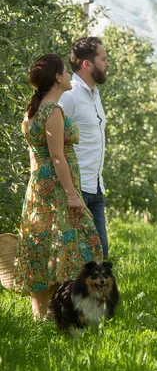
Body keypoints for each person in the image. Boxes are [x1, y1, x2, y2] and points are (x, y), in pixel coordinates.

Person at [14, 54, 103, 319]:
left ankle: (43, 316)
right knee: (72, 244)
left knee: (42, 246)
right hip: (56, 188)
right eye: (65, 72)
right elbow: (56, 157)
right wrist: (72, 195)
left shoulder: (32, 112)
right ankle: (66, 314)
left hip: (39, 187)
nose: (68, 77)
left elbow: (35, 158)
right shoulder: (52, 110)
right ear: (56, 77)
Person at [59, 37, 110, 259]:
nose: (107, 64)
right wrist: (70, 192)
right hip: (77, 190)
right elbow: (52, 140)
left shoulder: (95, 94)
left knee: (100, 256)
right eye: (104, 59)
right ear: (87, 64)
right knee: (75, 260)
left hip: (96, 187)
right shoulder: (69, 96)